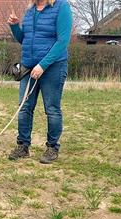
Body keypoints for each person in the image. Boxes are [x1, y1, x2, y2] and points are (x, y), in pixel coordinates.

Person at [7, 0, 73, 164]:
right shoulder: (31, 11)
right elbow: (25, 39)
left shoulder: (61, 6)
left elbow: (63, 41)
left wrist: (43, 65)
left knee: (52, 109)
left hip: (53, 67)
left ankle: (52, 147)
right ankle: (23, 146)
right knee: (24, 108)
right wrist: (15, 26)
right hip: (29, 67)